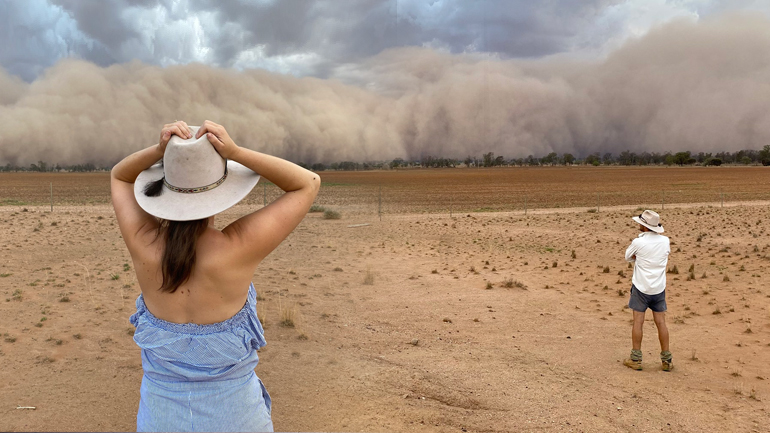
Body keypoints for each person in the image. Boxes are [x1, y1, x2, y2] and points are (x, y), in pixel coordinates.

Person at [111, 120, 320, 432]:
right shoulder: (238, 247)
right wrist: (235, 152)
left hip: (161, 418)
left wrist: (160, 150)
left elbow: (119, 176)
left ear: (167, 188)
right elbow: (308, 182)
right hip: (237, 418)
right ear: (220, 190)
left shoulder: (144, 242)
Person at [623, 209, 672, 372]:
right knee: (661, 323)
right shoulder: (665, 241)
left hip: (641, 287)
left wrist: (640, 258)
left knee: (638, 322)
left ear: (644, 226)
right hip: (658, 288)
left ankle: (636, 359)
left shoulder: (638, 242)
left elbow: (628, 257)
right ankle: (667, 360)